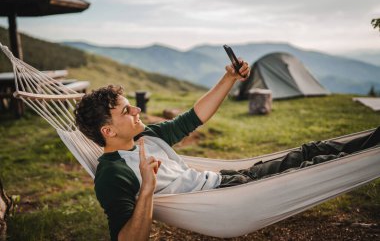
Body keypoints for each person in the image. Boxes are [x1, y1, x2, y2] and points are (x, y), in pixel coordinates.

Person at [74, 60, 380, 241]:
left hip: (231, 182)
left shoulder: (148, 136)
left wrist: (229, 78)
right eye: (127, 110)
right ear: (108, 131)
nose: (138, 109)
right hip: (224, 200)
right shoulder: (112, 174)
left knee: (311, 151)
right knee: (320, 165)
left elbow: (194, 117)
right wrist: (148, 188)